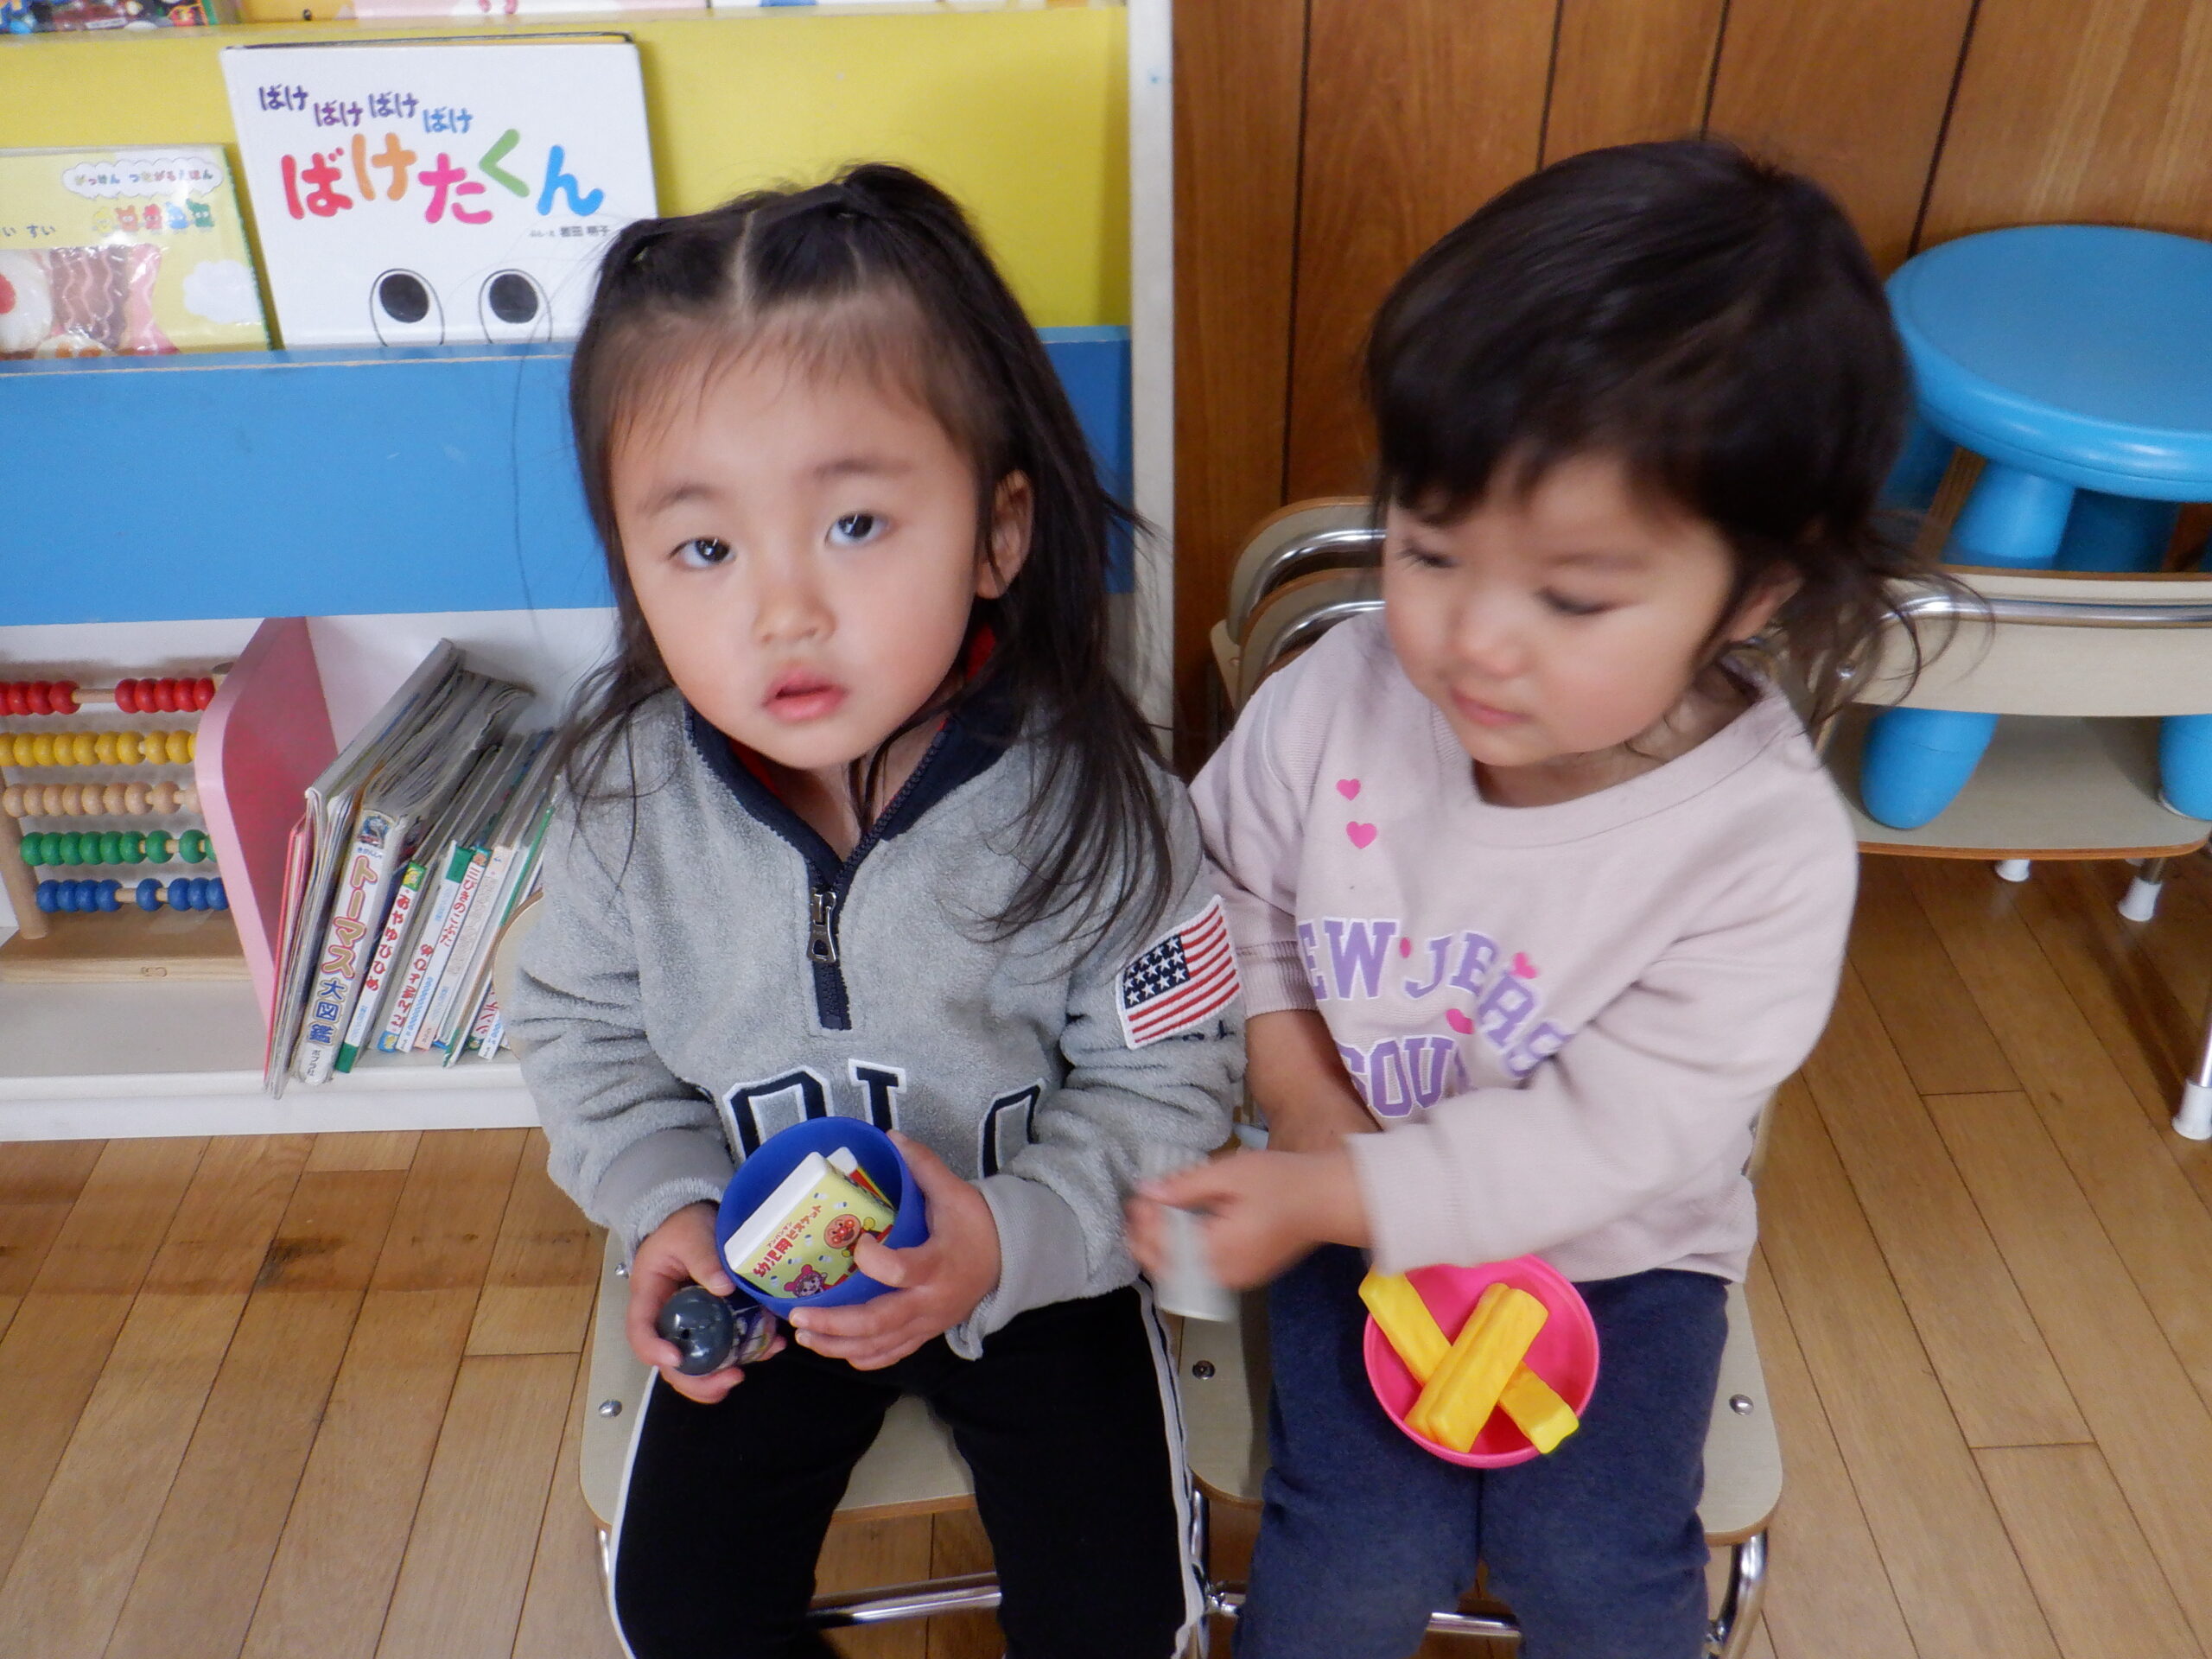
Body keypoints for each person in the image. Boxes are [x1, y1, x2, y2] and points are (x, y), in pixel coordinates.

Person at [1131, 140, 1934, 1658]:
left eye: (1572, 595)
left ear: (1755, 592)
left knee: (1597, 1566)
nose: (1476, 641)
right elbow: (1225, 898)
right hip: (1344, 1193)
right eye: (1432, 550)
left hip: (1623, 1254)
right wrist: (1310, 1115)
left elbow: (1618, 1137)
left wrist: (1342, 1191)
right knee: (1356, 1554)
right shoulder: (1335, 701)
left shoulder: (1760, 849)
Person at [507, 163, 1242, 1659]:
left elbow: (1174, 1080)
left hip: (1033, 1257)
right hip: (763, 1261)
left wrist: (1010, 1240)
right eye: (704, 549)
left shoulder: (1103, 804)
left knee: (1120, 1614)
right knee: (680, 1612)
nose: (781, 610)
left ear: (997, 531)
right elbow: (581, 1036)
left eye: (854, 524)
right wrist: (671, 1204)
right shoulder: (624, 802)